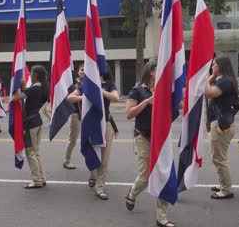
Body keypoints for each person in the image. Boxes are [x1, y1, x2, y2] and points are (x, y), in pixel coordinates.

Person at [124, 61, 174, 227]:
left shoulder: (164, 89)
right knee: (145, 176)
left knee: (163, 174)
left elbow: (178, 106)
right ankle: (132, 194)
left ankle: (162, 217)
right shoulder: (138, 90)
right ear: (152, 72)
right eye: (159, 69)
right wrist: (147, 102)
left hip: (161, 139)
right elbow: (129, 114)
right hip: (143, 137)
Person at [67, 64, 119, 200]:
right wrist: (84, 98)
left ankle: (100, 187)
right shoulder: (86, 86)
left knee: (105, 158)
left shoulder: (109, 85)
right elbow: (70, 98)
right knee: (91, 151)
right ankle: (93, 174)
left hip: (106, 124)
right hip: (90, 124)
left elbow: (116, 98)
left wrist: (101, 92)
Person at [204, 55, 239, 199]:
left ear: (221, 66)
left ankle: (226, 189)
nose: (212, 67)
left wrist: (207, 79)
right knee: (220, 156)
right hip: (223, 122)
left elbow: (208, 93)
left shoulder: (225, 81)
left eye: (214, 64)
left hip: (222, 124)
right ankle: (223, 184)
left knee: (218, 158)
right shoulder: (225, 80)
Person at [12, 65, 49, 189]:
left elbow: (15, 98)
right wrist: (23, 87)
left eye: (31, 74)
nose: (29, 76)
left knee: (30, 152)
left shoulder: (33, 89)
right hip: (38, 122)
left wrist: (15, 87)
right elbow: (28, 92)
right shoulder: (42, 88)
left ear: (36, 75)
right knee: (36, 152)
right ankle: (42, 178)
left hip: (30, 123)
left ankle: (36, 180)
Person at [63, 64, 84, 170]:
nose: (83, 72)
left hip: (88, 114)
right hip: (76, 114)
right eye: (81, 70)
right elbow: (68, 98)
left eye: (85, 70)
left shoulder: (90, 83)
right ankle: (67, 160)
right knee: (73, 139)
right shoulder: (73, 84)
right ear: (78, 72)